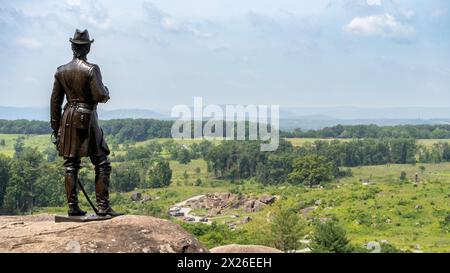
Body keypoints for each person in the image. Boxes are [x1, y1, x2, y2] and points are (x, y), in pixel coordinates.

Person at [50, 29, 122, 217]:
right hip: (87, 118)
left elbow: (55, 104)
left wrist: (56, 129)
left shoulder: (61, 71)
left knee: (71, 164)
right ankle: (103, 207)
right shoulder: (91, 69)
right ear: (88, 47)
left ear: (73, 47)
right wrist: (106, 90)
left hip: (67, 118)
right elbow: (100, 95)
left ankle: (72, 207)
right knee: (102, 162)